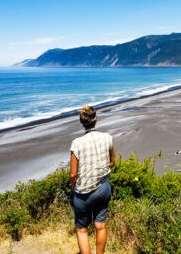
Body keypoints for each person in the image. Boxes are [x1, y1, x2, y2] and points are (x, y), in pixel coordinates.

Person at [69, 105, 115, 254]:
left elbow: (73, 174)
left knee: (82, 229)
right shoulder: (107, 137)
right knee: (100, 225)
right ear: (96, 119)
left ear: (82, 122)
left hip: (84, 193)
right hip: (103, 188)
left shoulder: (77, 143)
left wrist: (73, 188)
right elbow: (112, 162)